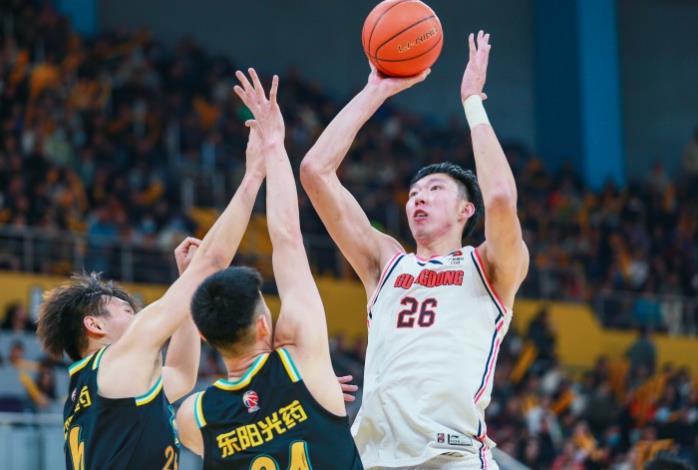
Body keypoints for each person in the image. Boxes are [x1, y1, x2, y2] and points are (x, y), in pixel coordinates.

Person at [300, 31, 529, 469]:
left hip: (452, 457)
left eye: (435, 189)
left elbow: (500, 197)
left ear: (466, 209)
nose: (418, 198)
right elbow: (315, 171)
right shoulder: (385, 262)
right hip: (373, 458)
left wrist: (472, 102)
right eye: (413, 192)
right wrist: (376, 89)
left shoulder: (490, 266)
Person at [36, 123, 268, 469]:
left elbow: (181, 373)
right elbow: (214, 262)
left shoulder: (97, 388)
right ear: (95, 325)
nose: (140, 315)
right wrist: (253, 176)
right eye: (127, 310)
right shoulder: (116, 364)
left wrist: (189, 281)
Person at [176, 69, 363, 469]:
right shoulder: (303, 364)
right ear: (264, 327)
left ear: (206, 336)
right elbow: (288, 240)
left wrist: (191, 288)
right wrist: (274, 145)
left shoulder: (196, 417)